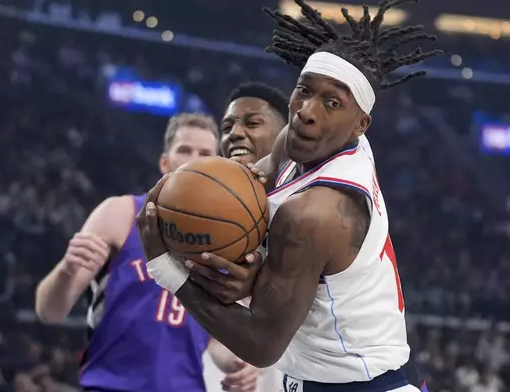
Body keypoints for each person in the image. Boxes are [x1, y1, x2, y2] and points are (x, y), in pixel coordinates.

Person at [139, 0, 442, 391]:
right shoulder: (311, 138)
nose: (306, 111)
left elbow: (262, 345)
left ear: (361, 124)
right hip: (318, 373)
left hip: (359, 383)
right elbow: (251, 182)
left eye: (332, 102)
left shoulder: (315, 215)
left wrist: (167, 268)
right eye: (303, 90)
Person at [35, 113, 260, 392]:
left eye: (204, 154)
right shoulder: (120, 213)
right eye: (184, 150)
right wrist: (67, 270)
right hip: (112, 385)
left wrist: (241, 364)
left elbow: (214, 340)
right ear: (165, 162)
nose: (194, 159)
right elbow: (50, 311)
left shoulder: (227, 241)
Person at [205, 81, 290, 392]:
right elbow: (214, 334)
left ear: (287, 136)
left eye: (252, 122)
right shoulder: (213, 219)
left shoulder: (309, 205)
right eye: (227, 126)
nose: (235, 134)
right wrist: (236, 361)